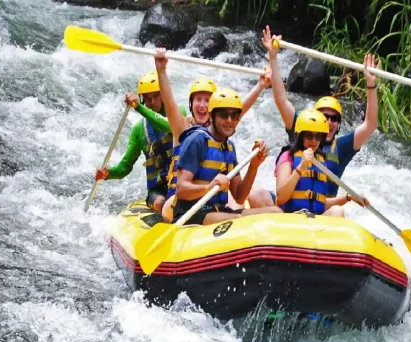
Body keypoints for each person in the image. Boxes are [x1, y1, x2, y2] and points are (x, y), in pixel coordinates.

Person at [246, 25, 381, 207]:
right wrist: (273, 58)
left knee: (337, 213)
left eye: (334, 119)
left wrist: (371, 85)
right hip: (291, 204)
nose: (329, 122)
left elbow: (371, 124)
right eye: (325, 116)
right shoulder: (301, 130)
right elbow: (281, 99)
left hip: (321, 208)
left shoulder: (342, 148)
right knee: (255, 195)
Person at [152, 48, 273, 220]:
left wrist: (261, 85)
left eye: (207, 100)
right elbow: (170, 103)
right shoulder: (186, 131)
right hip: (183, 205)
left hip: (213, 204)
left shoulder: (226, 142)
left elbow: (237, 110)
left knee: (270, 211)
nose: (202, 105)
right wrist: (161, 70)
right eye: (198, 100)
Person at [172, 87, 283, 225]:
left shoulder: (229, 147)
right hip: (191, 214)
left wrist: (254, 166)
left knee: (275, 212)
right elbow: (181, 189)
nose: (229, 120)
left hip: (219, 211)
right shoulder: (197, 140)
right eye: (224, 115)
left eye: (235, 115)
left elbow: (239, 196)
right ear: (212, 116)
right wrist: (208, 188)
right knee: (237, 221)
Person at [94, 72, 187, 212]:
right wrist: (108, 174)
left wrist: (139, 107)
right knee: (161, 203)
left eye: (156, 96)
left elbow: (166, 126)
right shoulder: (139, 129)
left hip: (180, 182)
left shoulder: (179, 113)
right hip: (158, 190)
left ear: (163, 95)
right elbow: (126, 165)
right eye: (147, 99)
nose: (152, 102)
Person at [275, 109, 368, 217]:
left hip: (313, 221)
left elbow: (321, 202)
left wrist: (348, 197)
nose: (314, 141)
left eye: (318, 136)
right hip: (290, 218)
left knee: (337, 211)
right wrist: (301, 167)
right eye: (309, 136)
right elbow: (281, 198)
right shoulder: (287, 156)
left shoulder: (320, 161)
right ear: (300, 136)